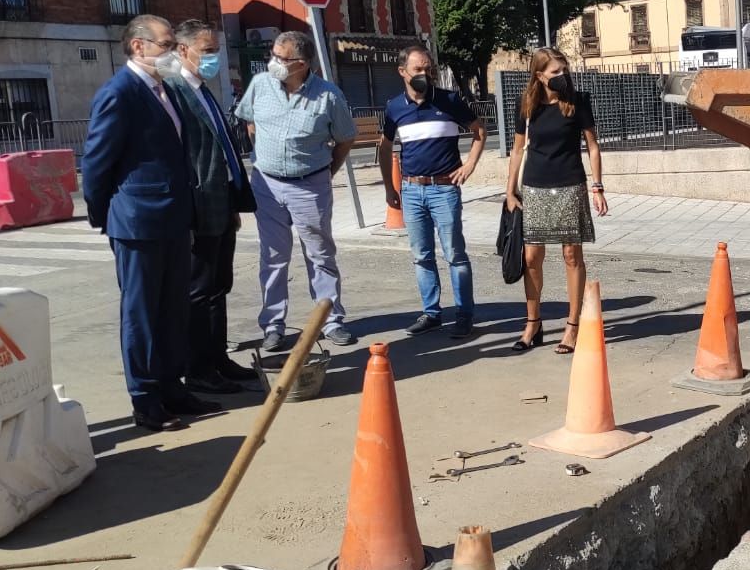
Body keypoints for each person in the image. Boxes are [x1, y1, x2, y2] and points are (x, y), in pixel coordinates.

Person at [81, 14, 220, 432]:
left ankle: (171, 385)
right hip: (138, 221)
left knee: (172, 309)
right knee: (141, 313)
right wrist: (105, 213)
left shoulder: (165, 90)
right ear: (138, 47)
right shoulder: (119, 94)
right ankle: (145, 397)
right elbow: (95, 164)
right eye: (165, 44)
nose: (172, 52)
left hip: (174, 218)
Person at [235, 31, 359, 351]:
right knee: (273, 257)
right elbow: (250, 124)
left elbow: (345, 138)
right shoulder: (260, 86)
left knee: (319, 255)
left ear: (301, 64)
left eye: (280, 58)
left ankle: (330, 319)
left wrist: (326, 172)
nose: (272, 62)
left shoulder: (329, 96)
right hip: (267, 184)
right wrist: (265, 156)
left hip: (310, 185)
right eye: (273, 54)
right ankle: (273, 324)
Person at [162, 19, 259, 394]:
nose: (213, 57)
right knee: (199, 291)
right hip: (199, 208)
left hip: (221, 204)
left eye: (216, 50)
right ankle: (199, 368)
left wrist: (234, 201)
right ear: (183, 51)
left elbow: (221, 148)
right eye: (207, 51)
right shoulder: (174, 92)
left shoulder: (203, 89)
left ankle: (218, 359)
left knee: (219, 286)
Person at [378, 46, 487, 338]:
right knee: (421, 255)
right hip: (412, 190)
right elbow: (385, 146)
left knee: (455, 254)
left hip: (444, 189)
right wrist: (391, 187)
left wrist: (469, 166)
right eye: (418, 70)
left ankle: (464, 314)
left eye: (429, 69)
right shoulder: (395, 107)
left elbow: (479, 131)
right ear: (403, 72)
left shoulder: (450, 100)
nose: (425, 74)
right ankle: (432, 313)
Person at [505, 48, 608, 354]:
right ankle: (532, 324)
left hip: (569, 185)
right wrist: (510, 191)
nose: (562, 76)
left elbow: (592, 146)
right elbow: (516, 150)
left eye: (564, 70)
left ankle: (572, 326)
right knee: (531, 258)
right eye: (555, 72)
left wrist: (598, 186)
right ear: (539, 76)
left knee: (571, 256)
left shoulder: (577, 102)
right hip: (535, 188)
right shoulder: (527, 105)